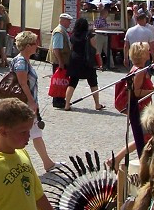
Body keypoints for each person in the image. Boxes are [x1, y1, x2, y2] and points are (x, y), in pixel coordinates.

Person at [12, 30, 60, 172]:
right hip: (24, 104)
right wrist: (32, 102)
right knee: (20, 134)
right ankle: (14, 163)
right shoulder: (21, 61)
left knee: (36, 133)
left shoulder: (24, 60)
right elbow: (23, 84)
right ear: (27, 46)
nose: (37, 46)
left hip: (27, 103)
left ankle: (47, 163)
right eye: (34, 43)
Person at [64, 17, 104, 111]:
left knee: (72, 82)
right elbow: (95, 50)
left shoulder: (73, 35)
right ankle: (97, 104)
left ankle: (66, 104)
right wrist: (100, 62)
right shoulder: (89, 35)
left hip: (75, 60)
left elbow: (72, 47)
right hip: (87, 61)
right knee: (93, 82)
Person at [49, 13, 73, 109]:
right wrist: (61, 62)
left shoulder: (63, 31)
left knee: (62, 81)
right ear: (62, 21)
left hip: (62, 60)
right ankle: (57, 101)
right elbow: (56, 48)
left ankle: (61, 100)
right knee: (59, 81)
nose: (70, 23)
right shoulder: (59, 32)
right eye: (68, 21)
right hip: (59, 61)